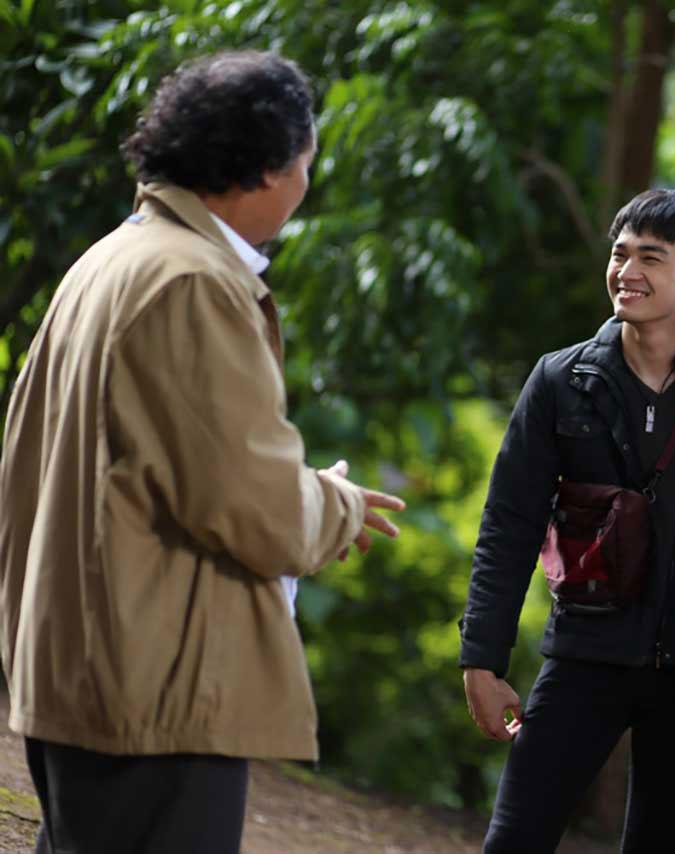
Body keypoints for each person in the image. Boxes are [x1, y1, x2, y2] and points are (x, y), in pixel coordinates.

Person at [0, 51, 405, 853]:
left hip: (84, 659)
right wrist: (333, 503)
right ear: (269, 169)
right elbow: (252, 504)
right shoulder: (192, 281)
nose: (306, 182)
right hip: (156, 680)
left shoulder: (115, 256)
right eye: (306, 162)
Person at [458, 189, 675, 853]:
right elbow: (509, 524)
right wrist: (482, 659)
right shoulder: (561, 380)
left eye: (651, 257)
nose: (626, 271)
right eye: (620, 254)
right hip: (585, 652)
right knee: (516, 839)